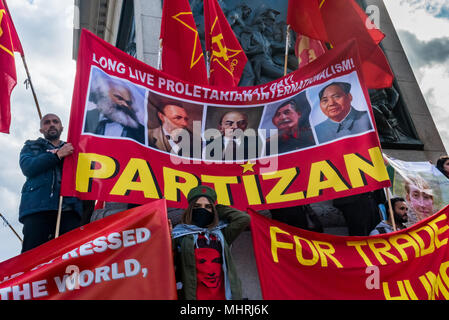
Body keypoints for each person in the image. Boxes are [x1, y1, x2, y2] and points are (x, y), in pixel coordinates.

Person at [171, 185, 250, 300]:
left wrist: (217, 209)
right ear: (190, 210)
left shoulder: (222, 233)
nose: (202, 210)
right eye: (197, 206)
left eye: (207, 207)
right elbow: (168, 259)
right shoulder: (180, 234)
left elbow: (243, 218)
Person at [18, 114, 83, 252]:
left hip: (69, 209)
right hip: (37, 208)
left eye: (55, 121)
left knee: (70, 256)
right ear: (41, 130)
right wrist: (57, 155)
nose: (52, 124)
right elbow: (28, 167)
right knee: (32, 256)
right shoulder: (32, 146)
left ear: (62, 127)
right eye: (47, 122)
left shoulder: (74, 148)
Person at [84, 75, 145, 144]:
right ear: (105, 94)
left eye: (128, 103)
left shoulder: (139, 131)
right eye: (119, 98)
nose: (123, 104)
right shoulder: (86, 118)